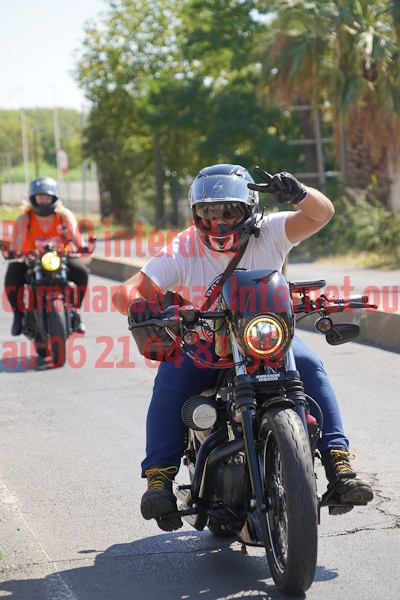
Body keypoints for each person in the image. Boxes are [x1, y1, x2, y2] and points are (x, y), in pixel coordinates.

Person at [112, 163, 374, 532]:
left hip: (267, 339)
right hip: (207, 345)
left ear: (249, 209)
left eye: (228, 211)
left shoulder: (271, 231)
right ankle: (160, 481)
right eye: (208, 212)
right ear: (196, 214)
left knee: (311, 367)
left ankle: (339, 465)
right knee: (170, 380)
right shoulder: (185, 246)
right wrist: (137, 303)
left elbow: (322, 213)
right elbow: (129, 290)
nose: (218, 221)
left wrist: (299, 193)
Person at [4, 176, 89, 336]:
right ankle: (18, 316)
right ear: (33, 198)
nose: (44, 201)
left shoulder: (63, 215)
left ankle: (76, 312)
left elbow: (76, 236)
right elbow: (17, 241)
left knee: (82, 272)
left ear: (54, 198)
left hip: (60, 257)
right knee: (12, 274)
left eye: (47, 197)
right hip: (30, 259)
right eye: (40, 197)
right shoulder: (25, 217)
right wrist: (14, 251)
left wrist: (82, 246)